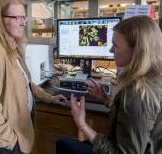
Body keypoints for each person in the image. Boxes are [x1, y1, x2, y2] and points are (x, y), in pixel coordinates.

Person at [56, 15, 162, 154]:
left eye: (115, 45)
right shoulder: (152, 78)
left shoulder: (138, 94)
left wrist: (82, 124)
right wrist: (106, 100)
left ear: (136, 51)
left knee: (64, 144)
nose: (111, 50)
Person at [0, 0, 67, 154]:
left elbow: (24, 82)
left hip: (19, 133)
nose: (23, 22)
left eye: (24, 17)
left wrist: (48, 97)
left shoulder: (12, 46)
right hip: (5, 142)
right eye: (17, 18)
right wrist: (10, 142)